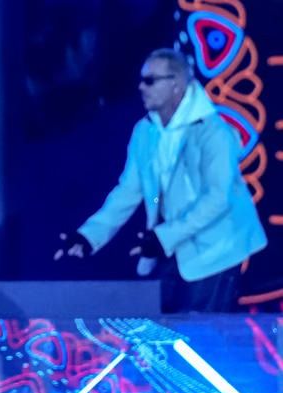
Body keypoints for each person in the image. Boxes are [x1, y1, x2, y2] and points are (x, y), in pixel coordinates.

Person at [57, 48, 266, 312]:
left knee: (200, 330)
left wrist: (163, 237)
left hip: (218, 247)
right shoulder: (145, 131)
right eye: (141, 80)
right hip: (175, 245)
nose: (141, 87)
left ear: (176, 84)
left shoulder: (214, 133)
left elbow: (217, 199)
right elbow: (129, 190)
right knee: (164, 326)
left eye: (150, 81)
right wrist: (89, 236)